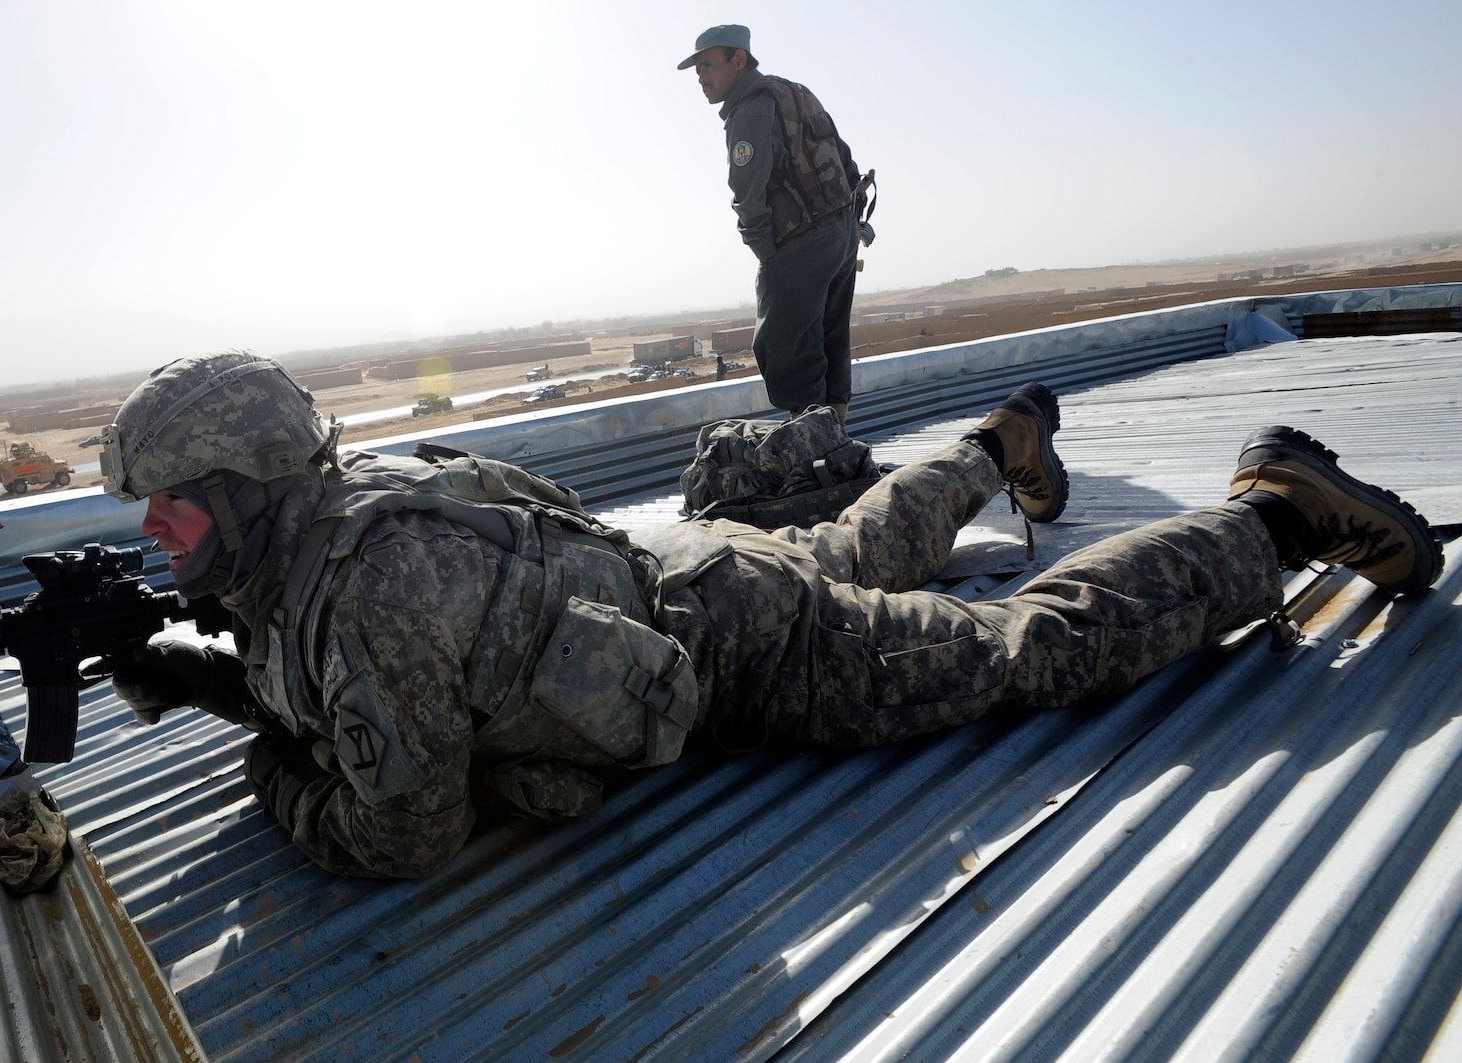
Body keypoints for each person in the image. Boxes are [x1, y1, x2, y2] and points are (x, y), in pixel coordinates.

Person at [97, 351, 1443, 878]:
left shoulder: (365, 596)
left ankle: (1280, 511)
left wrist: (269, 756)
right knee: (855, 542)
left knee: (1016, 648)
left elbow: (402, 834)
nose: (151, 529)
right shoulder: (356, 506)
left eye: (171, 502)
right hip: (689, 568)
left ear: (248, 485)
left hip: (744, 645)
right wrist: (231, 675)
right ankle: (996, 441)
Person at [681, 24, 865, 423]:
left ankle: (814, 445)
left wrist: (767, 253)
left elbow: (747, 189)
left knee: (786, 347)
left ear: (739, 61)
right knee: (831, 339)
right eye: (697, 71)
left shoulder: (750, 108)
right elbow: (845, 156)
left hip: (802, 240)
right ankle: (838, 441)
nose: (701, 78)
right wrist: (853, 225)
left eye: (708, 66)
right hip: (841, 232)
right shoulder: (796, 92)